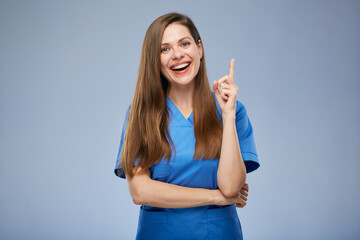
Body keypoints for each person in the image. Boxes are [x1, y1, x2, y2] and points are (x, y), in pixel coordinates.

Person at [114, 12, 259, 240]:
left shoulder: (233, 111)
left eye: (184, 43)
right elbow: (140, 191)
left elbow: (231, 188)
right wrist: (215, 198)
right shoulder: (140, 115)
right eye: (165, 49)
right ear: (155, 59)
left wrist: (228, 116)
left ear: (199, 48)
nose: (177, 55)